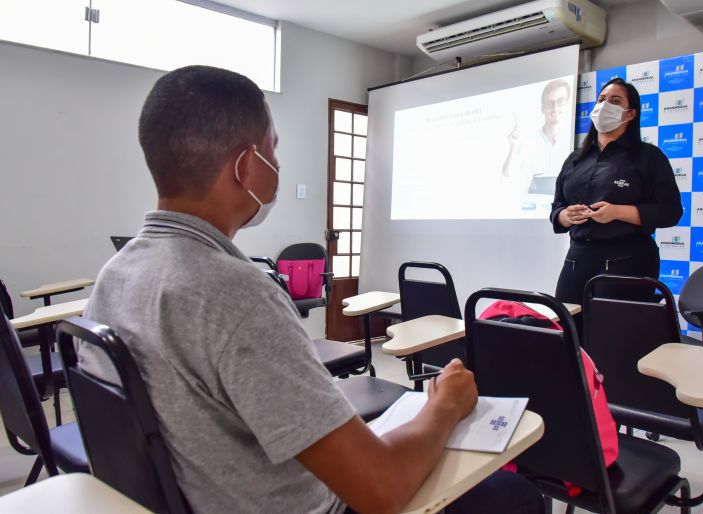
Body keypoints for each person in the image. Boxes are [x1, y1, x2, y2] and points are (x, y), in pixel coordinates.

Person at [78, 65, 545, 514]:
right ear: (245, 165)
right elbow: (379, 490)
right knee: (514, 496)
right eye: (272, 151)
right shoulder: (235, 294)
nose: (276, 165)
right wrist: (445, 406)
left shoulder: (116, 273)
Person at [550, 78, 682, 305]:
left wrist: (618, 212)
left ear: (630, 114)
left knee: (614, 335)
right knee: (569, 330)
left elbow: (670, 211)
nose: (604, 105)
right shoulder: (575, 159)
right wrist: (566, 216)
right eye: (601, 99)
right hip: (577, 259)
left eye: (615, 101)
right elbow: (557, 209)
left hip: (627, 260)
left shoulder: (648, 157)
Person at [502, 78, 572, 198]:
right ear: (543, 108)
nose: (555, 107)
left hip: (564, 213)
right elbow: (508, 175)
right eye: (550, 103)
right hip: (532, 211)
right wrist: (513, 145)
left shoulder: (574, 143)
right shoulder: (528, 142)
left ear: (567, 103)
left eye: (560, 101)